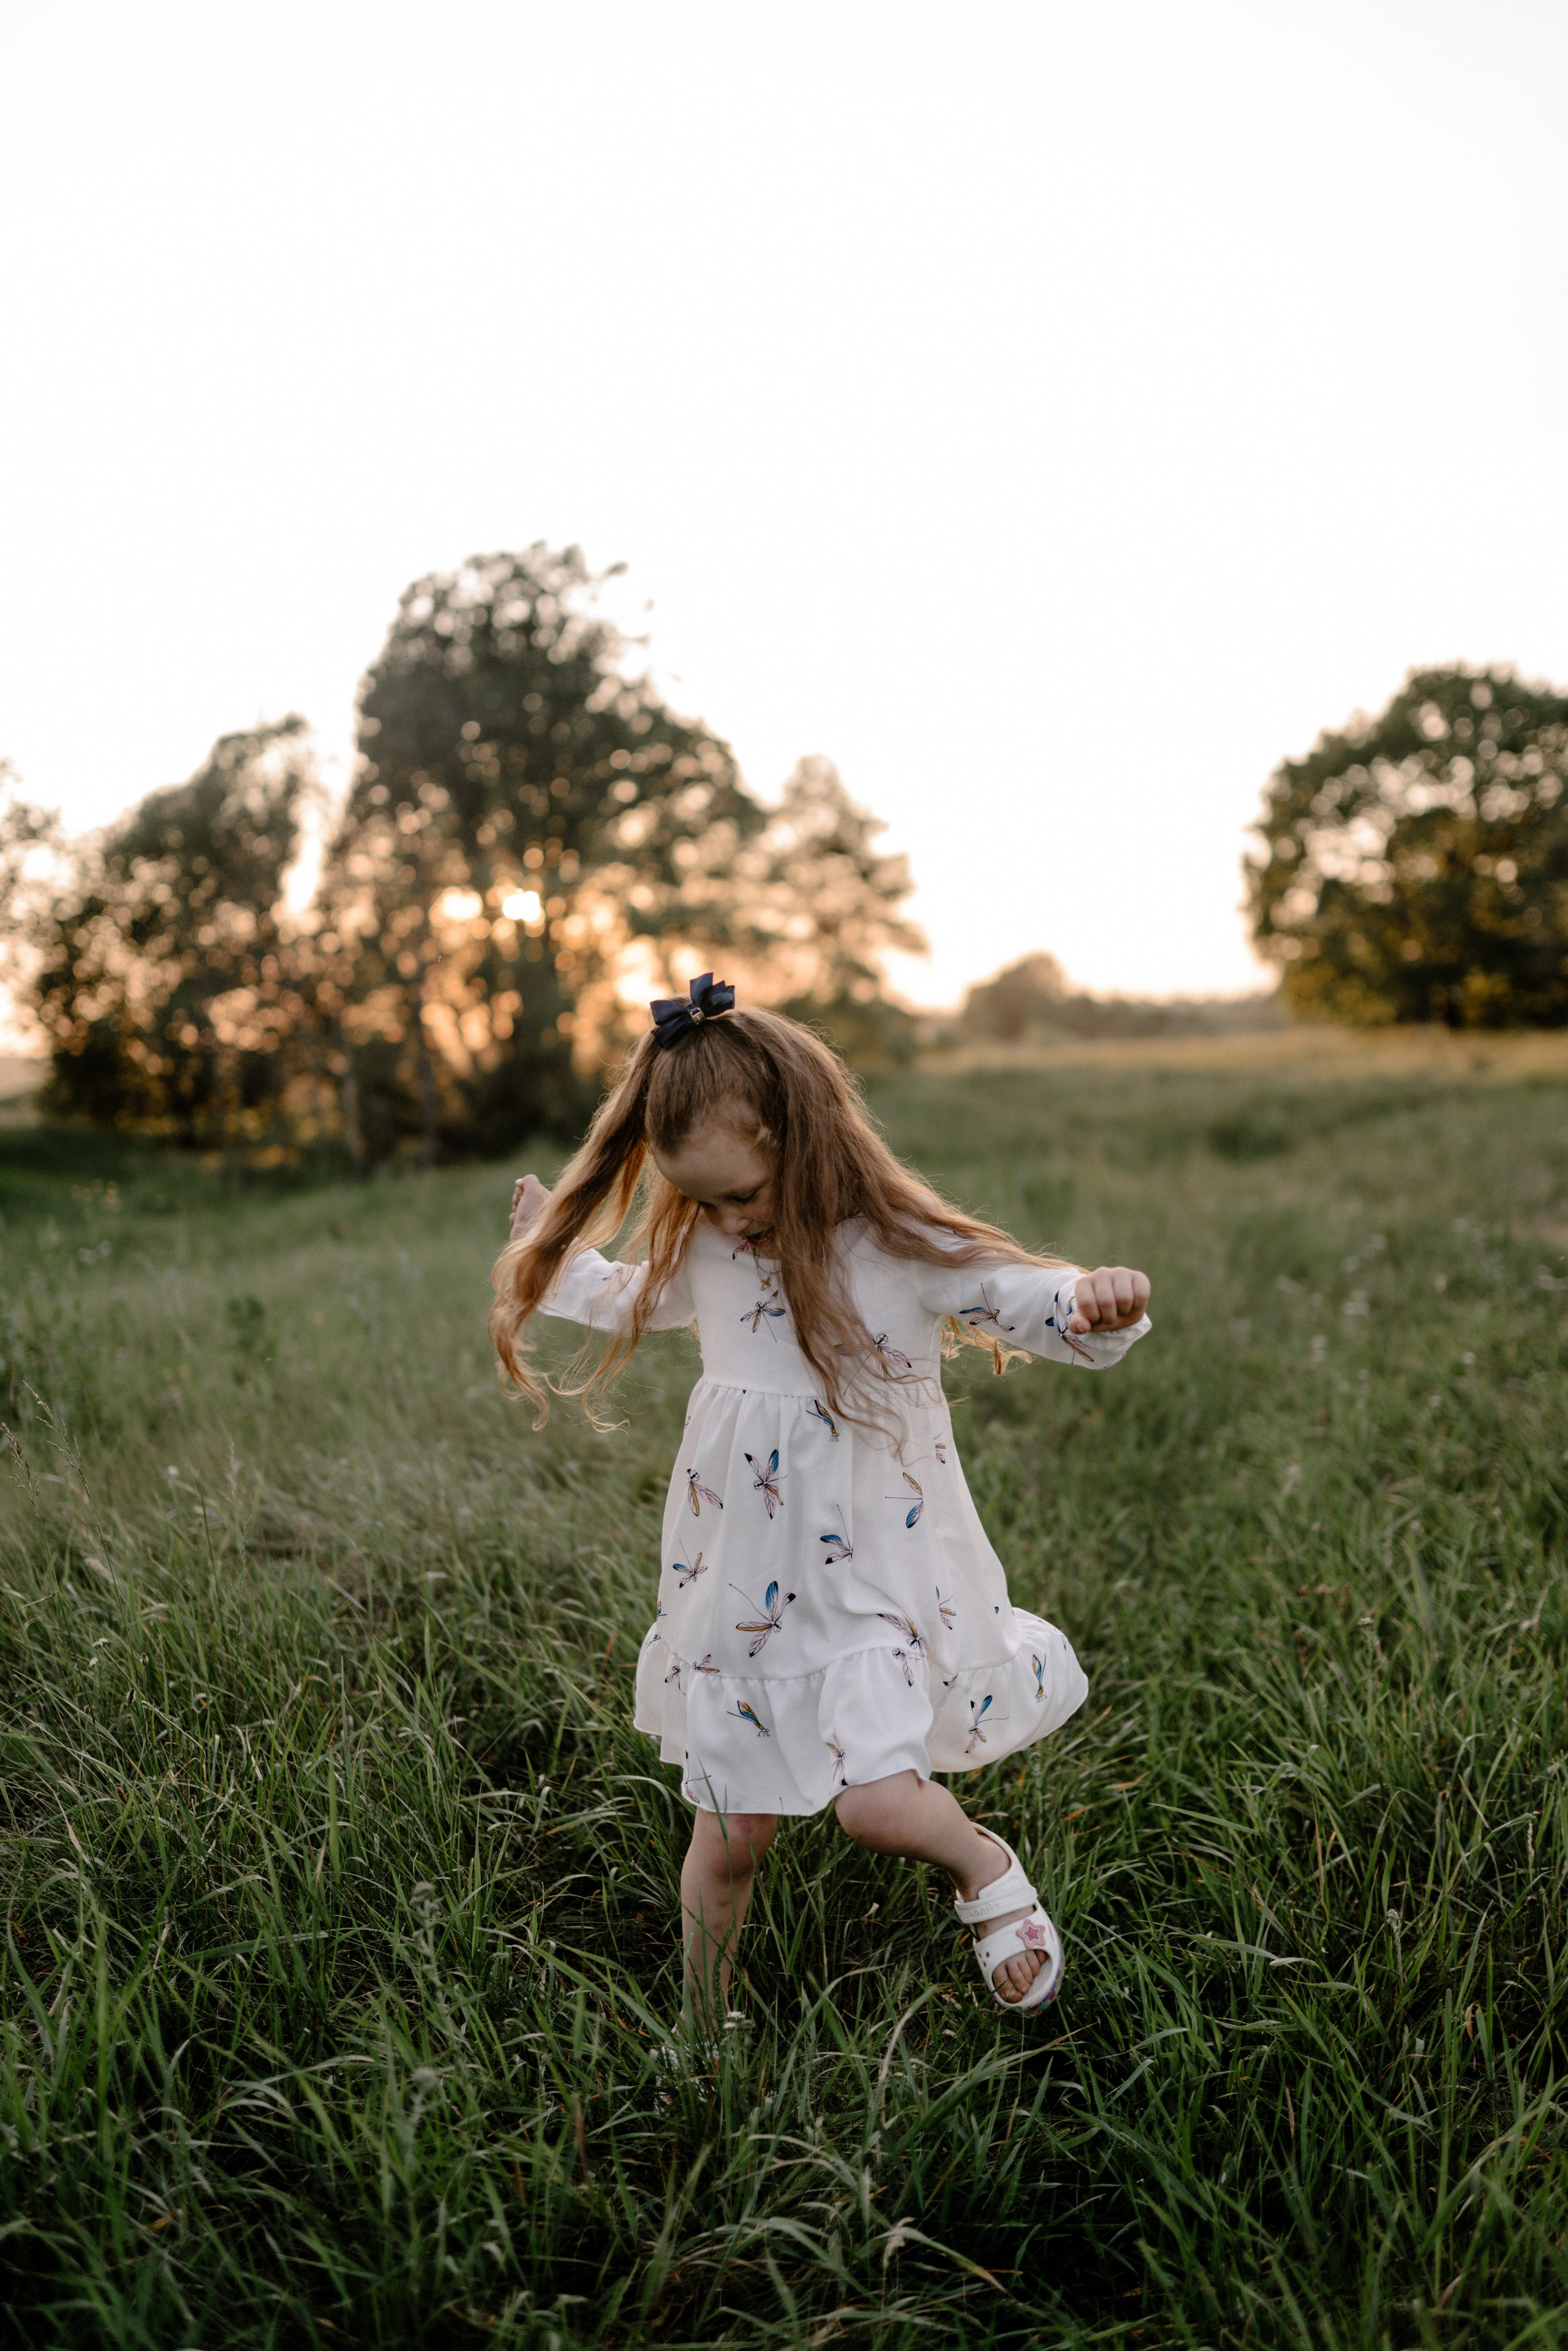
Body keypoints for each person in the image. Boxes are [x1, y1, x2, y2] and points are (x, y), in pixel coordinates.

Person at [491, 976, 1151, 2021]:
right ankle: (703, 2036)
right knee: (728, 1838)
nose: (727, 1221)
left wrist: (1091, 1298)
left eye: (744, 1193)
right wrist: (552, 1252)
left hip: (871, 1585)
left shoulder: (893, 1246)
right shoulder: (707, 1244)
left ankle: (980, 1864)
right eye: (703, 1200)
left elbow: (1013, 1292)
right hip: (742, 1588)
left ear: (808, 1138)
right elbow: (628, 1295)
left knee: (880, 1805)